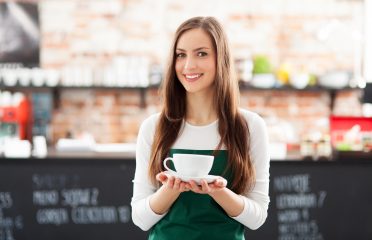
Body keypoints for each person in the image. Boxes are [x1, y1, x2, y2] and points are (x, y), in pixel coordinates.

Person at [131, 16, 270, 240]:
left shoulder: (250, 127)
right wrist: (171, 189)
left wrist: (218, 191)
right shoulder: (154, 127)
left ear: (221, 60)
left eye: (201, 53)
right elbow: (140, 218)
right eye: (181, 55)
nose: (188, 65)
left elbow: (257, 218)